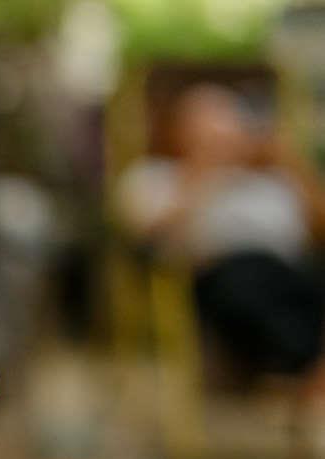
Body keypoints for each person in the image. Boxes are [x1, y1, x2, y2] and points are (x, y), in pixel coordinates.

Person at [118, 84, 325, 377]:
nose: (221, 134)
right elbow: (146, 239)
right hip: (218, 278)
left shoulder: (273, 177)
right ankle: (306, 372)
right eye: (208, 125)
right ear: (180, 131)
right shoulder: (155, 177)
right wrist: (202, 173)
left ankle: (308, 374)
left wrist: (293, 166)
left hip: (293, 270)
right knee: (247, 286)